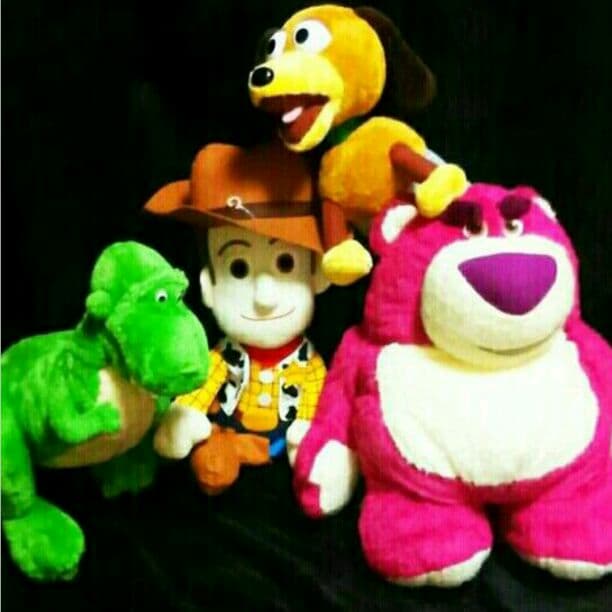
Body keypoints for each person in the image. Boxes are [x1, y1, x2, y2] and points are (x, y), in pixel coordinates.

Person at [144, 141, 330, 494]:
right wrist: (185, 417)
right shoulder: (221, 356)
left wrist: (307, 434)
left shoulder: (310, 366)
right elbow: (201, 388)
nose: (264, 297)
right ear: (209, 287)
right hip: (226, 431)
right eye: (239, 269)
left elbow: (314, 403)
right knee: (212, 460)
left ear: (316, 276)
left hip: (283, 445)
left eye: (285, 263)